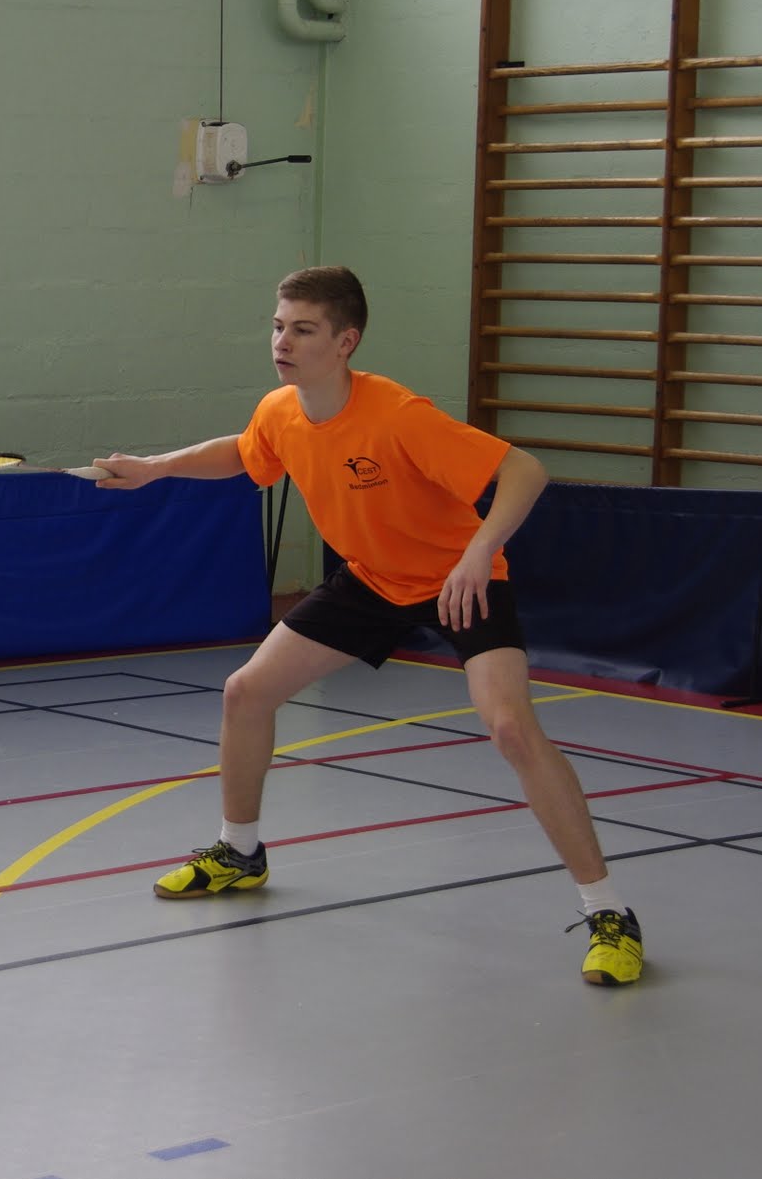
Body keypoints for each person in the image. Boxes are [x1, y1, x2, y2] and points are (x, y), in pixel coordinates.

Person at [92, 265, 643, 986]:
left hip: (456, 579)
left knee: (511, 728)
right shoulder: (281, 410)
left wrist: (479, 552)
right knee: (245, 692)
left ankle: (609, 912)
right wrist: (155, 467)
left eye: (303, 330)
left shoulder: (398, 415)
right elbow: (247, 451)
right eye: (278, 326)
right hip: (372, 579)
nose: (282, 342)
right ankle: (239, 852)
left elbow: (524, 471)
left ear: (345, 341)